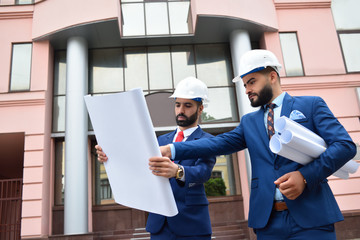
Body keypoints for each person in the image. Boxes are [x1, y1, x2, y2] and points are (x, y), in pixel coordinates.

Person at [155, 50, 357, 239]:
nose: (247, 90)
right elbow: (216, 144)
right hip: (268, 223)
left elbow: (344, 146)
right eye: (244, 85)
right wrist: (172, 149)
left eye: (251, 82)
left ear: (272, 76)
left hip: (312, 218)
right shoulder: (249, 122)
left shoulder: (311, 105)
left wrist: (305, 177)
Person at [96, 76, 216, 240]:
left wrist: (178, 171)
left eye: (188, 105)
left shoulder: (207, 141)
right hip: (160, 225)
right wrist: (110, 157)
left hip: (192, 224)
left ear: (200, 108)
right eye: (178, 104)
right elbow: (139, 167)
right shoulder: (160, 141)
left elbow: (203, 172)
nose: (181, 110)